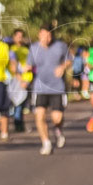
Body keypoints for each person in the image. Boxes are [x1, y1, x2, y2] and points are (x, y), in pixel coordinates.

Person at [29, 23, 72, 155]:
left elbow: (69, 60)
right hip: (40, 87)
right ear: (39, 35)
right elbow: (28, 64)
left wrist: (62, 67)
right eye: (43, 35)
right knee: (39, 115)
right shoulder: (34, 48)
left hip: (57, 87)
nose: (46, 38)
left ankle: (58, 130)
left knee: (56, 118)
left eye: (48, 35)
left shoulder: (60, 46)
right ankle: (46, 142)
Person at [8, 28, 32, 132]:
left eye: (21, 36)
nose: (19, 38)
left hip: (27, 78)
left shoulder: (26, 49)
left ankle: (19, 123)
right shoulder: (11, 49)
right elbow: (13, 66)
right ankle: (17, 124)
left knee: (22, 103)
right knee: (17, 102)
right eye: (17, 36)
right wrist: (19, 78)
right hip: (16, 79)